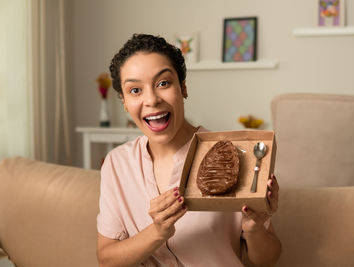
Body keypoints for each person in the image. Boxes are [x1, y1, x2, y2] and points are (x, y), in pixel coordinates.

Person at [96, 33, 281, 267]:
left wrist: (254, 228)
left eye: (163, 83)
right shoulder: (117, 164)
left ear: (183, 87)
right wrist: (157, 232)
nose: (152, 99)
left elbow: (268, 260)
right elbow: (106, 259)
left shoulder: (233, 154)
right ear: (123, 101)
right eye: (135, 90)